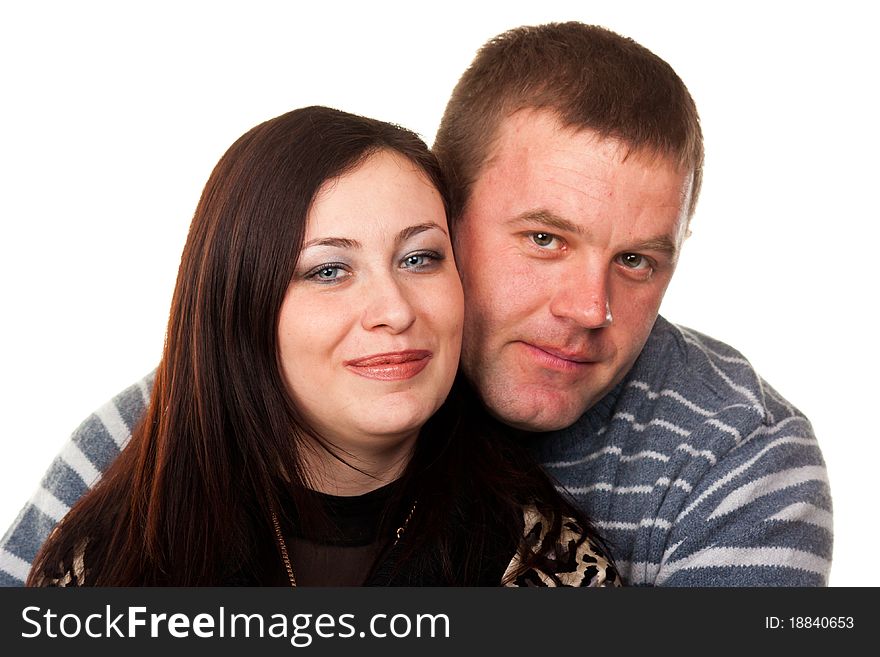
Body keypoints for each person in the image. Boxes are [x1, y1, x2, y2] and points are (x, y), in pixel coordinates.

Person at [1, 21, 830, 587]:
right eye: (544, 238)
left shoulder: (737, 458)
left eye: (638, 260)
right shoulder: (172, 423)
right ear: (447, 214)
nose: (589, 307)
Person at [22, 105, 618, 587]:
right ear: (239, 307)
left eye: (420, 258)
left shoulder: (549, 563)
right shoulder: (101, 566)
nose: (395, 310)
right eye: (329, 270)